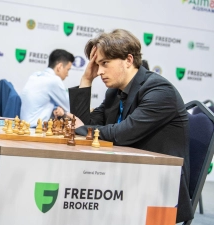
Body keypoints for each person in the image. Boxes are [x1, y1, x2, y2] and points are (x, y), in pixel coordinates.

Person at [69, 29, 193, 223]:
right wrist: (86, 80)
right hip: (126, 178)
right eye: (97, 65)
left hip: (158, 191)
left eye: (104, 63)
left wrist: (82, 128)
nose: (99, 71)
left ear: (128, 60)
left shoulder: (159, 90)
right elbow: (86, 124)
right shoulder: (115, 93)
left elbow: (123, 134)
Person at [20, 49, 74, 127]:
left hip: (23, 127)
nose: (67, 74)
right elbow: (70, 109)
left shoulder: (35, 75)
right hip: (36, 130)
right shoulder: (54, 81)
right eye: (67, 70)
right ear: (60, 66)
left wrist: (56, 108)